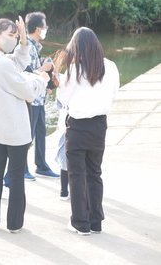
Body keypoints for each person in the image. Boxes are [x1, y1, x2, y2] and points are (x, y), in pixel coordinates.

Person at [0, 17, 48, 233]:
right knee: (16, 175)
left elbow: (16, 63)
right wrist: (41, 78)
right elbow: (27, 92)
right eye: (10, 36)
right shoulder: (2, 63)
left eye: (15, 36)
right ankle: (14, 223)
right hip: (14, 129)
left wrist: (24, 42)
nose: (13, 40)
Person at [57, 27, 119, 235]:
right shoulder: (110, 66)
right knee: (95, 173)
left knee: (76, 175)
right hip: (99, 125)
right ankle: (96, 221)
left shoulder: (75, 70)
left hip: (78, 126)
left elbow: (63, 99)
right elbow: (114, 93)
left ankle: (80, 222)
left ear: (76, 47)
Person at [24, 11, 59, 179]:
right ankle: (22, 168)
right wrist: (44, 69)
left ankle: (41, 165)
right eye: (45, 27)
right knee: (27, 135)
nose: (46, 29)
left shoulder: (35, 46)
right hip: (31, 100)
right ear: (38, 29)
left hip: (39, 98)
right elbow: (25, 74)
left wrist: (46, 84)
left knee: (40, 133)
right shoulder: (28, 48)